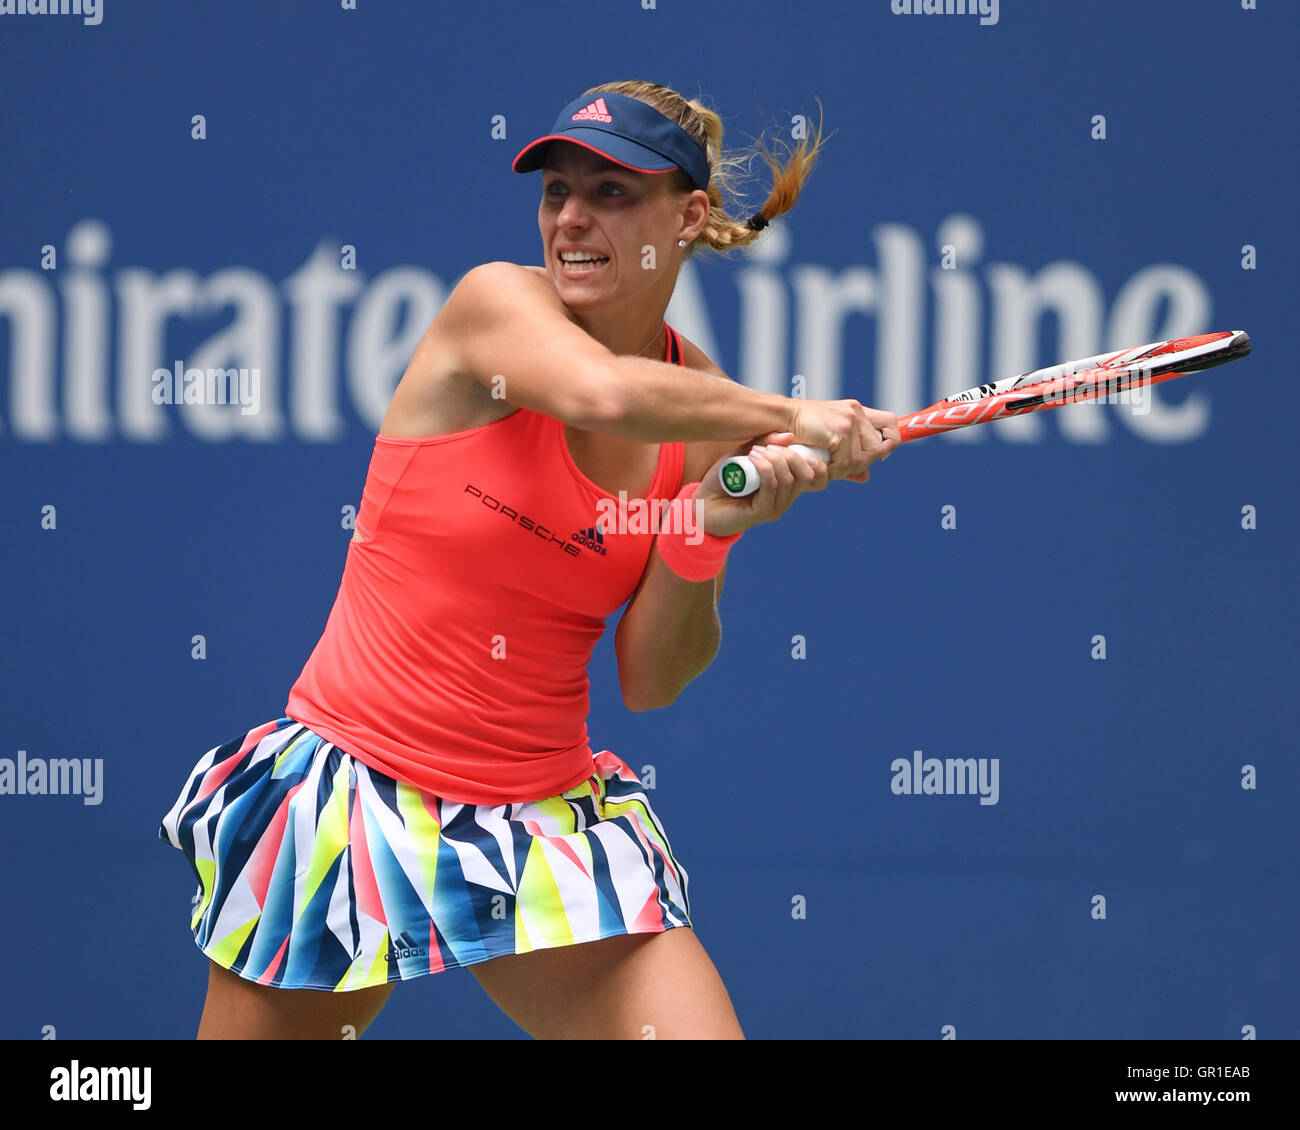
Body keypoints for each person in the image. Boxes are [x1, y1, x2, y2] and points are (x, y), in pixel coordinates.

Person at [159, 79, 900, 1041]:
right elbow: (600, 394)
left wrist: (711, 526)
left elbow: (651, 677)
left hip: (541, 823)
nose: (573, 218)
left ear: (689, 217)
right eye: (557, 191)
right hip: (353, 798)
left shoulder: (702, 414)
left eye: (613, 192)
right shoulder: (493, 306)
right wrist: (794, 413)